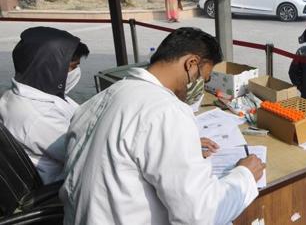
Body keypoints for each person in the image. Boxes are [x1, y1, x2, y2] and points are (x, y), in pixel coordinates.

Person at [60, 28, 265, 224]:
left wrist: (183, 145)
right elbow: (200, 215)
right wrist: (244, 175)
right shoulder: (167, 112)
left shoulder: (103, 97)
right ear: (191, 64)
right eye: (202, 77)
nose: (201, 85)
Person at [0, 27, 89, 184]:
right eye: (72, 67)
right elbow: (86, 153)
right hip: (59, 189)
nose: (76, 72)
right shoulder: (40, 116)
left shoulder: (14, 96)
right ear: (50, 67)